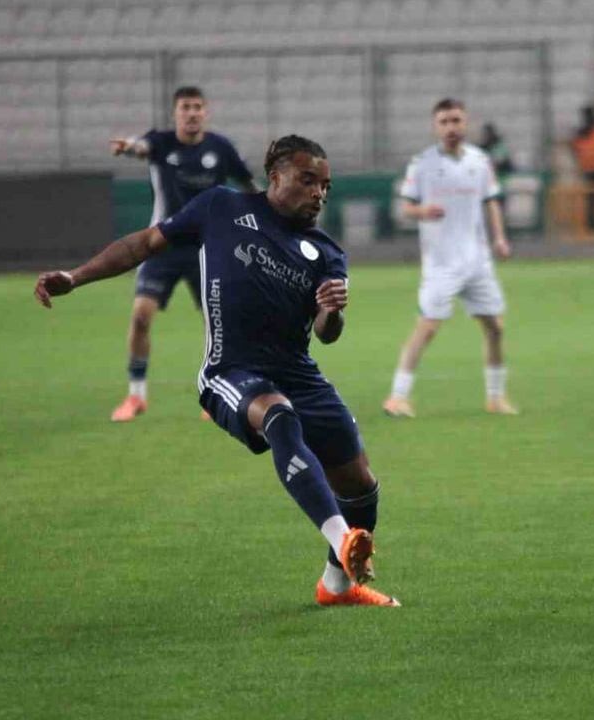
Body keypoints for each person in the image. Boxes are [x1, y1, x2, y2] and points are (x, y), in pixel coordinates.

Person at [34, 136, 400, 608]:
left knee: (360, 484)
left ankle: (335, 587)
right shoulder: (220, 207)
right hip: (231, 369)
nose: (319, 193)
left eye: (325, 186)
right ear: (276, 177)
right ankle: (341, 540)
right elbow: (144, 243)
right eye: (308, 180)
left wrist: (331, 311)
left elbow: (328, 333)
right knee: (279, 416)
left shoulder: (325, 252)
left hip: (299, 372)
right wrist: (76, 276)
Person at [107, 86, 257, 422]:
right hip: (162, 246)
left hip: (209, 248)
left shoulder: (221, 148)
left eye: (197, 107)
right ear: (175, 112)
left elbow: (250, 187)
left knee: (218, 324)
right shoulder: (161, 143)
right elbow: (141, 147)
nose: (191, 113)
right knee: (141, 316)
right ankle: (136, 396)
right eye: (185, 107)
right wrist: (128, 147)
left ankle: (218, 393)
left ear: (206, 112)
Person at [382, 98, 516, 418]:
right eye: (444, 122)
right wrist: (422, 211)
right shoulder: (422, 164)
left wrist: (499, 238)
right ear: (435, 126)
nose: (451, 127)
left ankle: (496, 397)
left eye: (456, 120)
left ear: (465, 123)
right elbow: (404, 208)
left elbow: (491, 201)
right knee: (427, 327)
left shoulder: (480, 161)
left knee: (495, 327)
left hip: (477, 261)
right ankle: (397, 397)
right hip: (441, 264)